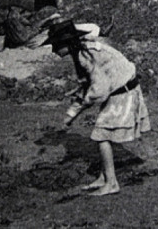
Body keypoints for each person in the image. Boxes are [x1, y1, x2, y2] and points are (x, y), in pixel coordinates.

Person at [42, 20, 150, 197]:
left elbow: (98, 89)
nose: (53, 50)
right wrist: (73, 110)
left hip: (124, 92)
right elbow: (87, 83)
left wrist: (77, 108)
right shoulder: (82, 52)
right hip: (121, 87)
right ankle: (104, 176)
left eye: (55, 45)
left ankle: (111, 183)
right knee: (103, 134)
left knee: (101, 135)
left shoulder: (87, 55)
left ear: (67, 43)